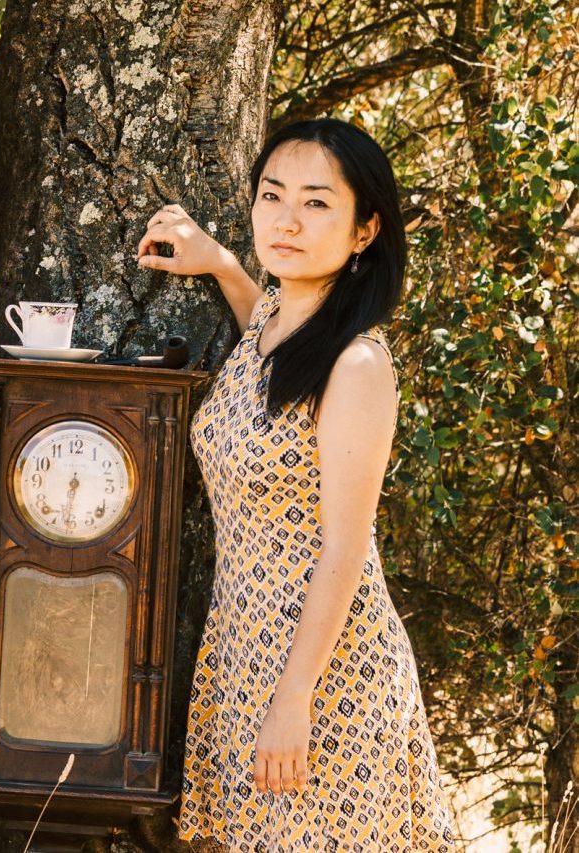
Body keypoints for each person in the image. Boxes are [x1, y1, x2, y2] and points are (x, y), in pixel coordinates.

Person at [135, 118, 460, 849]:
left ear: (365, 229)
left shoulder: (359, 366)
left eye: (317, 203)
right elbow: (272, 354)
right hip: (246, 652)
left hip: (327, 674)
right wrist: (220, 263)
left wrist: (293, 699)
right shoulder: (277, 325)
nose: (286, 219)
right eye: (272, 195)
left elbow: (347, 546)